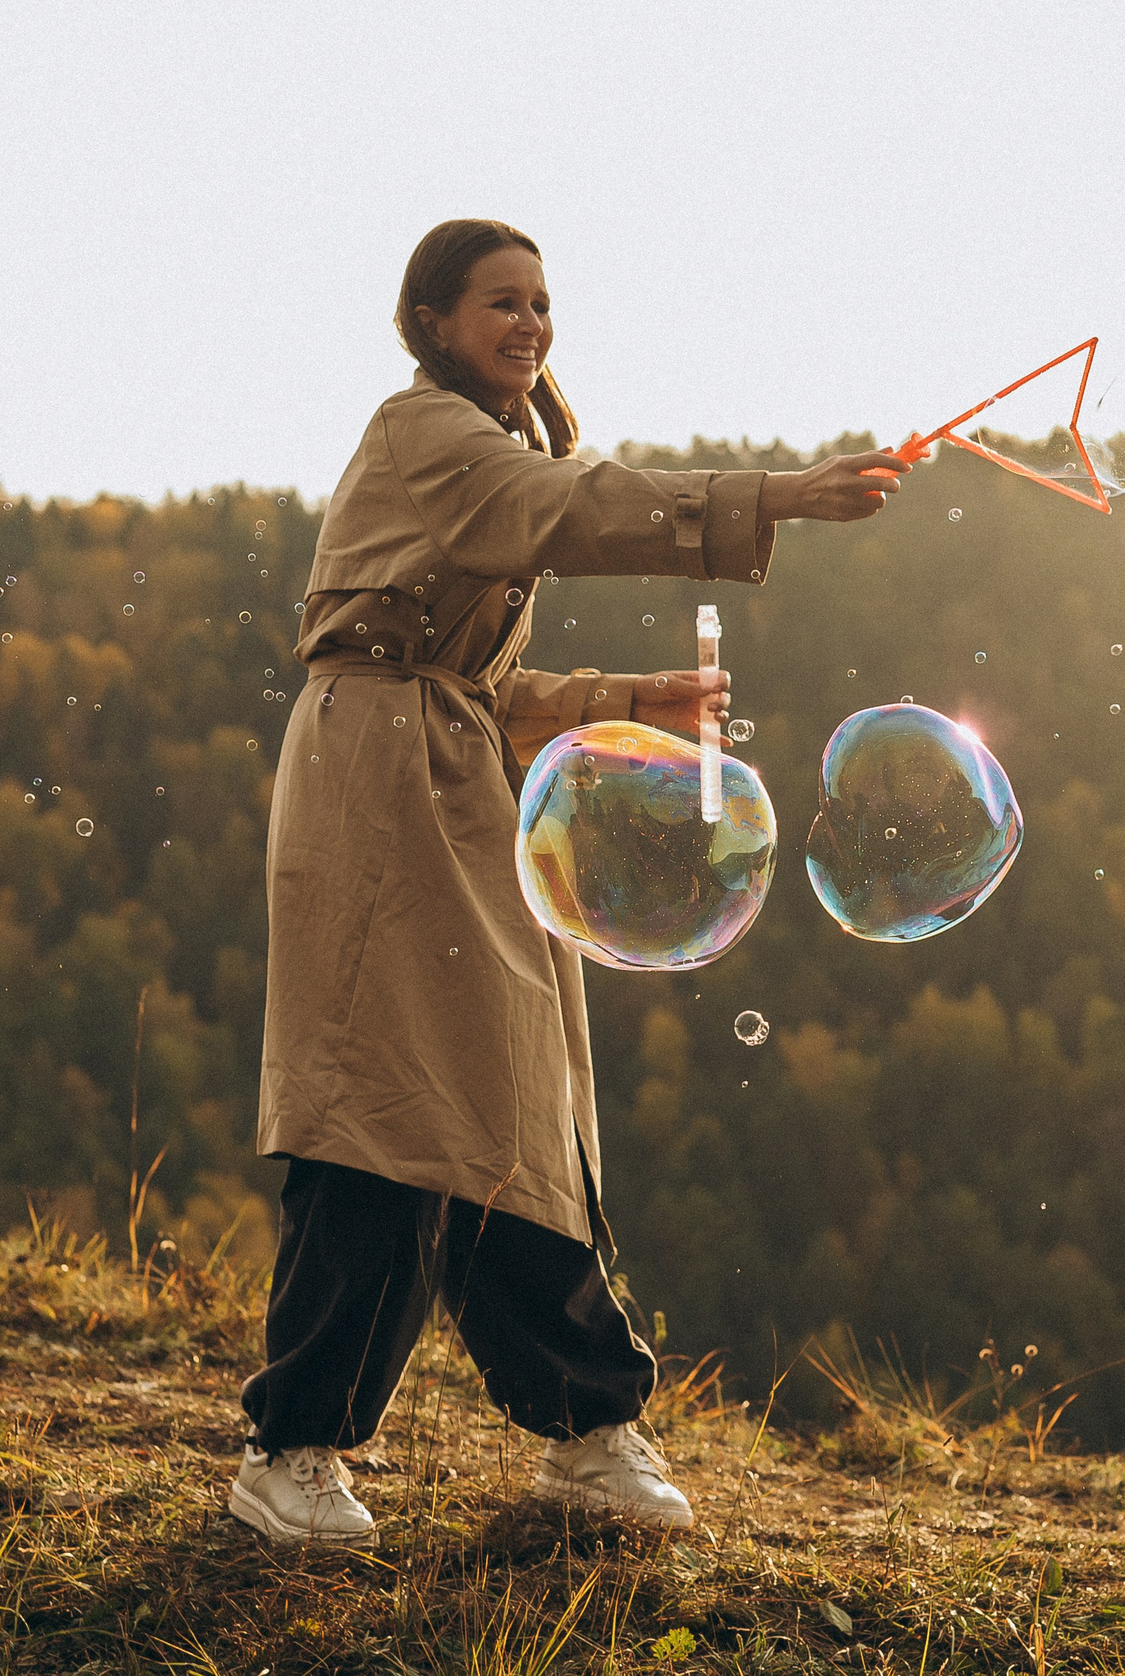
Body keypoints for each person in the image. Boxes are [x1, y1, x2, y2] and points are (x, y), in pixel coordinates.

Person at [231, 218, 906, 1544]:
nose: (530, 323)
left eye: (542, 302)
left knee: (506, 1113)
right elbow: (569, 511)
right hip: (378, 795)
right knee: (383, 1115)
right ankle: (294, 1448)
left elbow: (467, 680)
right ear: (433, 322)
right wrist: (770, 494)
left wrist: (622, 696)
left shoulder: (482, 447)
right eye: (501, 302)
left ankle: (590, 1430)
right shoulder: (422, 432)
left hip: (440, 778)